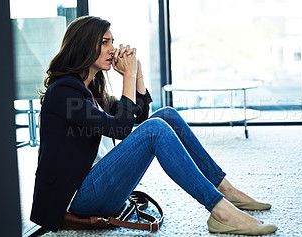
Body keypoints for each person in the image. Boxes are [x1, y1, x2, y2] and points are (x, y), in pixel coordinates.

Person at [30, 16, 277, 236]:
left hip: (97, 186)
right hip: (76, 198)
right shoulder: (63, 93)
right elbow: (122, 129)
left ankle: (224, 188)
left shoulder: (91, 90)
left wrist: (137, 73)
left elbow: (140, 116)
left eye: (112, 41)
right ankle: (220, 211)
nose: (112, 49)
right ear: (83, 46)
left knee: (166, 115)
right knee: (155, 129)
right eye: (104, 42)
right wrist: (126, 76)